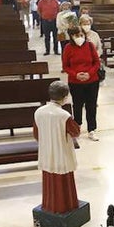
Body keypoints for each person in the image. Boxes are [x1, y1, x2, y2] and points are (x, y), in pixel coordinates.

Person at [33, 81, 82, 212]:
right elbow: (76, 132)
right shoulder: (63, 115)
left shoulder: (39, 112)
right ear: (65, 97)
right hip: (61, 152)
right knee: (63, 182)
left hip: (46, 151)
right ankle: (66, 206)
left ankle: (49, 205)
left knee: (50, 180)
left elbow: (37, 134)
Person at [62, 24, 101, 141]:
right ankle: (77, 126)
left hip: (92, 80)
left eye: (81, 35)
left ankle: (92, 130)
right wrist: (76, 74)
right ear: (71, 36)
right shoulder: (68, 48)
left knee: (91, 105)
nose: (79, 37)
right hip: (75, 81)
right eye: (76, 35)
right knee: (77, 105)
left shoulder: (89, 46)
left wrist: (89, 73)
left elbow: (96, 63)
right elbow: (65, 66)